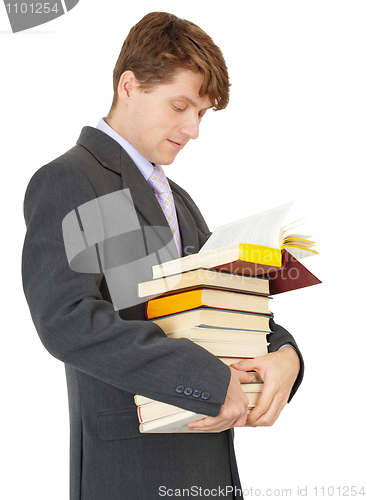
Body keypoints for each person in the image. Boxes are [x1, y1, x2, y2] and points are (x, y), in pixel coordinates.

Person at [22, 12, 303, 500]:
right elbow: (66, 319)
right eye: (181, 106)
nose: (193, 128)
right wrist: (202, 378)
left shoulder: (181, 200)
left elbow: (219, 305)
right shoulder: (70, 179)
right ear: (129, 86)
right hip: (131, 472)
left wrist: (284, 355)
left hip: (210, 469)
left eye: (202, 113)